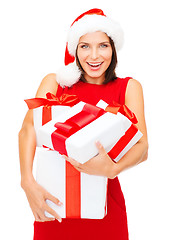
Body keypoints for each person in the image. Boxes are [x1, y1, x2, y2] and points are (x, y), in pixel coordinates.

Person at [18, 8, 148, 240]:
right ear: (74, 50)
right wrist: (27, 182)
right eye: (85, 46)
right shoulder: (54, 82)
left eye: (103, 46)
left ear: (113, 48)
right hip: (53, 201)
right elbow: (28, 128)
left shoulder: (129, 87)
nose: (94, 56)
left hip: (105, 204)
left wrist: (113, 169)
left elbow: (142, 147)